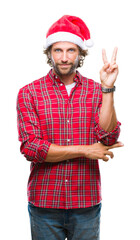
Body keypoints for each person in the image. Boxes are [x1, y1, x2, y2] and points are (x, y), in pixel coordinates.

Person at [17, 15, 123, 240]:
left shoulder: (96, 91)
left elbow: (108, 136)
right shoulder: (29, 93)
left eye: (71, 50)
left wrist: (107, 88)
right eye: (58, 50)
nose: (64, 58)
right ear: (49, 53)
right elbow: (31, 148)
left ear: (80, 53)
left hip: (86, 202)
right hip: (45, 203)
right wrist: (85, 150)